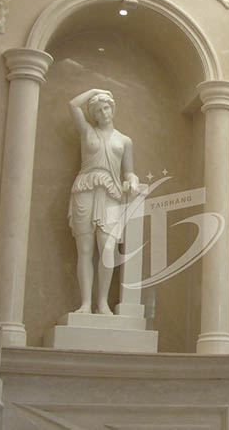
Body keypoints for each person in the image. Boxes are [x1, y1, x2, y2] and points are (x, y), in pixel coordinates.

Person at [67, 88, 140, 314]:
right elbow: (72, 105)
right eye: (98, 111)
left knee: (107, 250)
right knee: (85, 250)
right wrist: (94, 92)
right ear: (93, 115)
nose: (103, 113)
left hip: (111, 193)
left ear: (112, 108)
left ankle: (102, 303)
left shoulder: (124, 140)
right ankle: (85, 304)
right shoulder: (87, 132)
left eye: (106, 107)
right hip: (85, 189)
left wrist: (133, 180)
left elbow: (128, 171)